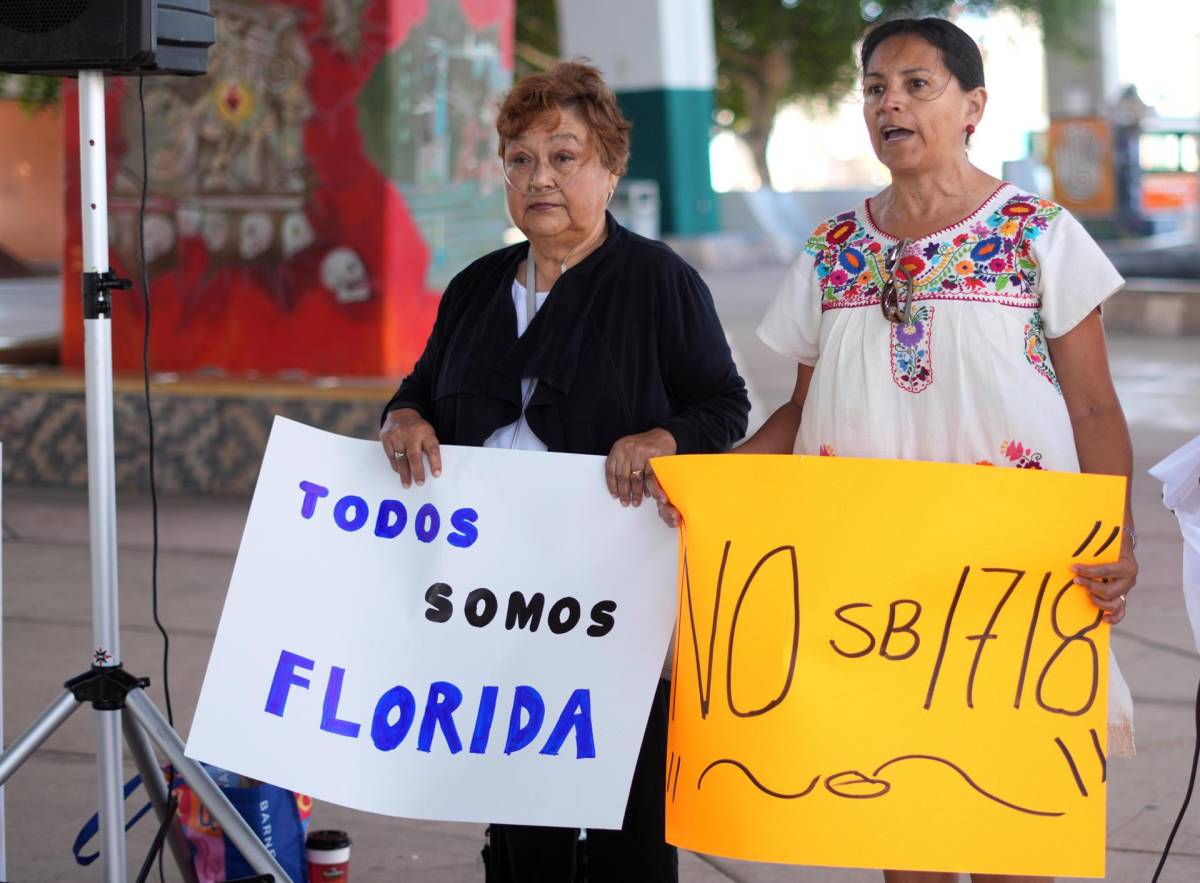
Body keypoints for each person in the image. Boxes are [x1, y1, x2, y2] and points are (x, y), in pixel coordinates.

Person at [656, 16, 1137, 883]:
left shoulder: (1037, 233)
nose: (891, 104)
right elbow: (800, 410)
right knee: (903, 828)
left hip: (1010, 577)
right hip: (867, 589)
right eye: (876, 88)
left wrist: (1116, 535)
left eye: (918, 85)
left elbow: (1095, 405)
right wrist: (710, 484)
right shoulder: (832, 251)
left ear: (973, 106)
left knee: (1008, 829)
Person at [379, 60, 750, 882]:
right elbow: (419, 390)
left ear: (610, 169)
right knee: (522, 824)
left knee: (629, 825)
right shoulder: (475, 288)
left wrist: (665, 437)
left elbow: (725, 404)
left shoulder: (658, 282)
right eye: (520, 158)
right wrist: (402, 419)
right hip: (493, 605)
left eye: (564, 156)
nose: (539, 177)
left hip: (616, 605)